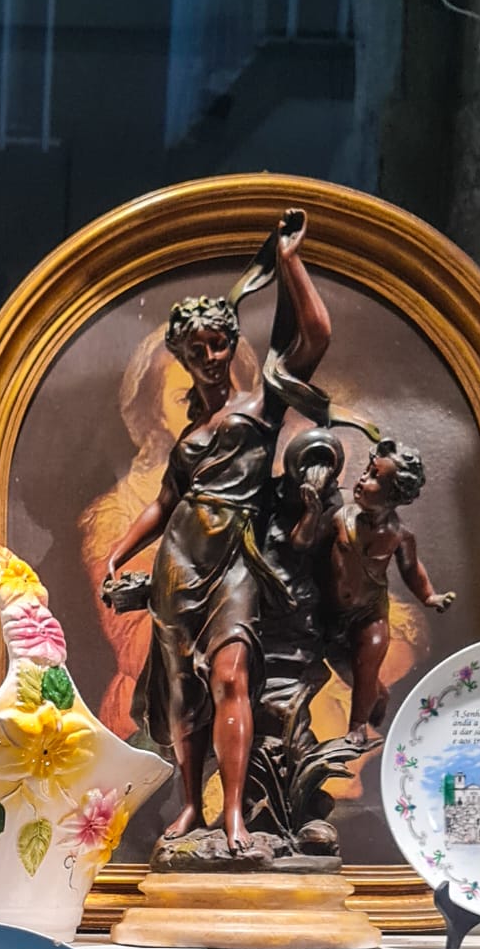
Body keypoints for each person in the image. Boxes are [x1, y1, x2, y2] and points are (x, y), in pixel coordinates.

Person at [101, 209, 331, 854]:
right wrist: (121, 551)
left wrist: (290, 262)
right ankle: (188, 808)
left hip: (236, 559)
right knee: (183, 692)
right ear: (181, 356)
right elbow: (165, 501)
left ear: (232, 344)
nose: (208, 357)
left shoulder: (262, 404)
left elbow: (314, 335)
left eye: (218, 344)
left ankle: (232, 815)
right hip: (180, 563)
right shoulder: (189, 434)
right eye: (195, 349)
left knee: (231, 677)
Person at [324, 436, 455, 740]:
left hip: (370, 614)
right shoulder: (340, 517)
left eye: (374, 478)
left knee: (366, 666)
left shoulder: (399, 535)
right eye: (366, 471)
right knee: (347, 671)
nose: (362, 479)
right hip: (331, 613)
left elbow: (411, 569)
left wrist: (429, 596)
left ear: (394, 496)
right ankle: (379, 695)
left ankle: (357, 726)